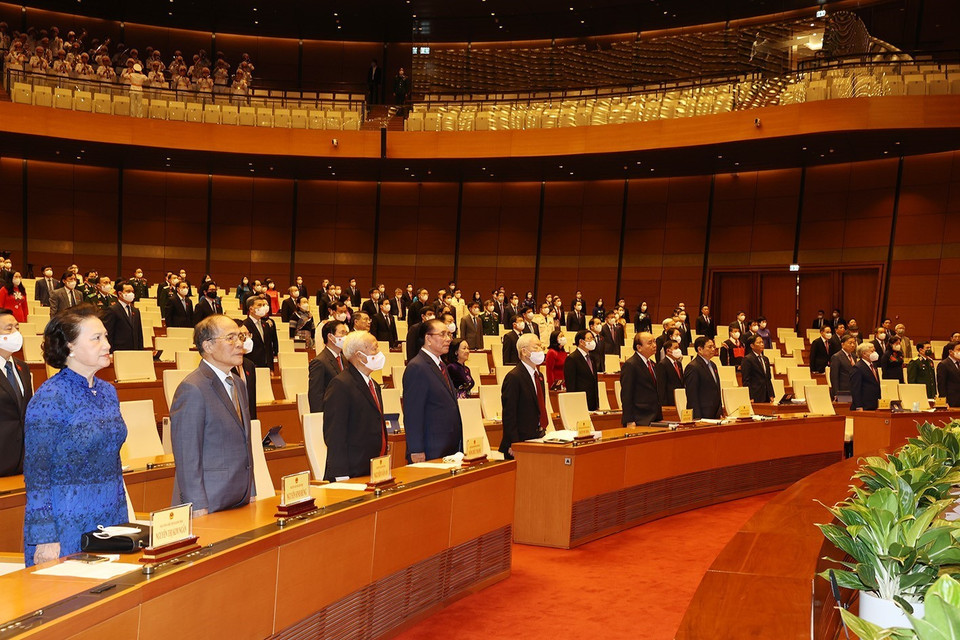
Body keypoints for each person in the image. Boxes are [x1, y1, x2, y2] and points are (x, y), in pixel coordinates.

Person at [23, 305, 126, 566]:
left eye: (105, 337)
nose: (107, 345)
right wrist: (45, 537)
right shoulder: (50, 398)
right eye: (96, 338)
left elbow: (112, 460)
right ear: (69, 347)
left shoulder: (107, 391)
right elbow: (37, 474)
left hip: (110, 516)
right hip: (65, 523)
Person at [170, 315, 255, 517]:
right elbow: (187, 456)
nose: (239, 344)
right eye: (230, 338)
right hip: (209, 502)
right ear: (207, 346)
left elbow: (245, 443)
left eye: (241, 337)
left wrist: (251, 491)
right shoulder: (192, 388)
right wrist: (197, 505)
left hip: (239, 499)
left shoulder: (238, 383)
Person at [322, 331, 388, 481]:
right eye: (374, 348)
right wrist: (341, 475)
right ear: (359, 355)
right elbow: (335, 434)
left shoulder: (374, 385)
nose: (379, 353)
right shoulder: (341, 384)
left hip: (375, 467)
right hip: (351, 472)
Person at [402, 319, 462, 462]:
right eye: (442, 334)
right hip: (431, 448)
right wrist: (416, 449)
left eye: (449, 334)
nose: (448, 339)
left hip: (448, 446)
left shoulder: (441, 365)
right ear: (428, 338)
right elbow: (413, 413)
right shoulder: (417, 367)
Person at [499, 333, 549, 459]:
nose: (541, 350)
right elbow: (509, 414)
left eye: (541, 347)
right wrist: (514, 444)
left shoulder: (540, 376)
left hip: (537, 436)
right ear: (525, 352)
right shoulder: (514, 377)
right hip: (520, 440)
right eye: (536, 347)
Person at [0, 308, 31, 476]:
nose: (15, 333)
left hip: (22, 461)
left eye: (17, 327)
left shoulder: (22, 367)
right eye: (9, 328)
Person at [620, 332, 663, 426]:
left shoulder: (652, 364)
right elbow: (626, 394)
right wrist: (629, 420)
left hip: (654, 417)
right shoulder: (631, 365)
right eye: (650, 343)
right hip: (639, 418)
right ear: (639, 347)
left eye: (654, 342)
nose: (654, 345)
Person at [307, 320, 348, 413]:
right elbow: (315, 395)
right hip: (330, 412)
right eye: (342, 333)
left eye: (346, 333)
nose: (346, 337)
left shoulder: (344, 358)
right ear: (330, 337)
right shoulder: (319, 362)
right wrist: (318, 417)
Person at [684, 336, 722, 420]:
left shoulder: (713, 365)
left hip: (715, 413)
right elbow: (692, 395)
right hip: (702, 414)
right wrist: (697, 417)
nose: (713, 349)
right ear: (700, 349)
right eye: (710, 347)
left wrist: (720, 411)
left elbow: (717, 389)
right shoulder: (693, 367)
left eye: (714, 347)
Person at [102, 281, 144, 353]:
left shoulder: (136, 311)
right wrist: (110, 352)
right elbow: (109, 334)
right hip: (119, 351)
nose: (131, 293)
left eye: (132, 291)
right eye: (128, 291)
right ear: (120, 293)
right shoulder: (112, 310)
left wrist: (140, 350)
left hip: (134, 351)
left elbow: (139, 334)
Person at [563, 329, 599, 411]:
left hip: (592, 401)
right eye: (589, 338)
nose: (592, 341)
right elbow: (570, 384)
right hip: (579, 401)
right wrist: (573, 402)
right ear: (581, 342)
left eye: (592, 338)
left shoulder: (592, 357)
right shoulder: (572, 358)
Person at [244, 296, 279, 371]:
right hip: (252, 365)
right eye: (259, 305)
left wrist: (271, 367)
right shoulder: (245, 325)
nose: (263, 307)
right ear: (251, 309)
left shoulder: (266, 324)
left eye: (263, 305)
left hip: (266, 365)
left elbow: (269, 347)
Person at [740, 334, 775, 404]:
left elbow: (768, 378)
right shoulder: (747, 359)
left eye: (762, 342)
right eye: (759, 343)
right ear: (752, 346)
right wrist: (750, 396)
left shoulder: (765, 359)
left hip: (766, 395)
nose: (762, 344)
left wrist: (771, 394)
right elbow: (746, 380)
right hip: (755, 395)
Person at [850, 342, 882, 411]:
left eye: (874, 350)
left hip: (874, 404)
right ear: (864, 353)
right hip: (864, 406)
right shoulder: (858, 367)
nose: (875, 353)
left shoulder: (874, 365)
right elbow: (855, 389)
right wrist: (858, 406)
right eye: (872, 351)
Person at [655, 338, 684, 406]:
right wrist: (664, 404)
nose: (678, 350)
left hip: (679, 399)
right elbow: (661, 386)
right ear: (668, 350)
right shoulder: (662, 364)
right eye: (676, 348)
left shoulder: (678, 363)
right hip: (669, 400)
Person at [829, 335, 858, 401]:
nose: (853, 345)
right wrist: (836, 393)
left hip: (854, 388)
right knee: (845, 409)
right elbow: (834, 377)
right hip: (843, 389)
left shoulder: (853, 356)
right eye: (850, 343)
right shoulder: (836, 357)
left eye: (854, 343)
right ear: (842, 344)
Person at [936, 343, 960, 408]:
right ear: (950, 352)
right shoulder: (943, 364)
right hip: (952, 401)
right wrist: (944, 401)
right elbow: (941, 385)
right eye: (959, 349)